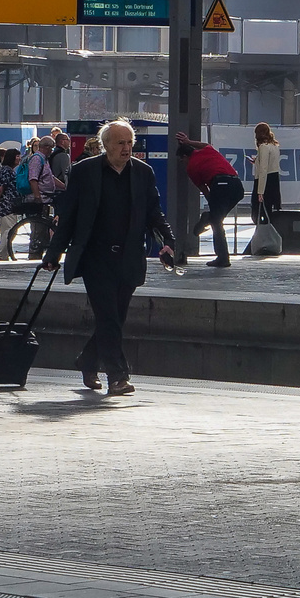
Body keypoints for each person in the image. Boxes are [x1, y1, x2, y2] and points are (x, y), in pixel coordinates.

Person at [44, 119, 177, 396]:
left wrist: (168, 242)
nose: (127, 148)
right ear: (105, 145)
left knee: (116, 317)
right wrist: (54, 252)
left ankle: (87, 360)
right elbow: (70, 216)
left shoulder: (143, 172)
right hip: (96, 257)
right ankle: (118, 376)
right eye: (121, 143)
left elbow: (154, 212)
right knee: (107, 316)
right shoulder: (84, 171)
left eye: (130, 143)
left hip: (129, 256)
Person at [174, 132, 244, 267]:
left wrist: (212, 204)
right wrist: (188, 141)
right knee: (216, 218)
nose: (182, 164)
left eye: (182, 160)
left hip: (219, 184)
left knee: (216, 223)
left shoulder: (191, 167)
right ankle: (210, 217)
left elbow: (204, 189)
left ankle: (223, 258)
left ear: (185, 156)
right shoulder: (207, 150)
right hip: (237, 186)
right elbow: (205, 144)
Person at [251, 123, 282, 225]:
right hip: (274, 180)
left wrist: (260, 191)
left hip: (264, 182)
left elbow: (263, 169)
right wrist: (257, 161)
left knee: (257, 212)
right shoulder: (274, 146)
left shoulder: (263, 147)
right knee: (270, 212)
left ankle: (261, 234)